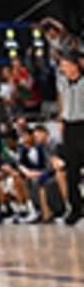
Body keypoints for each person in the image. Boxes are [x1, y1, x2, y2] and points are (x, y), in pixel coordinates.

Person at [57, 51, 84, 225]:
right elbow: (61, 100)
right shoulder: (61, 82)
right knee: (71, 171)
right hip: (69, 126)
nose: (62, 68)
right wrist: (62, 119)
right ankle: (75, 208)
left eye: (65, 64)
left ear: (75, 65)